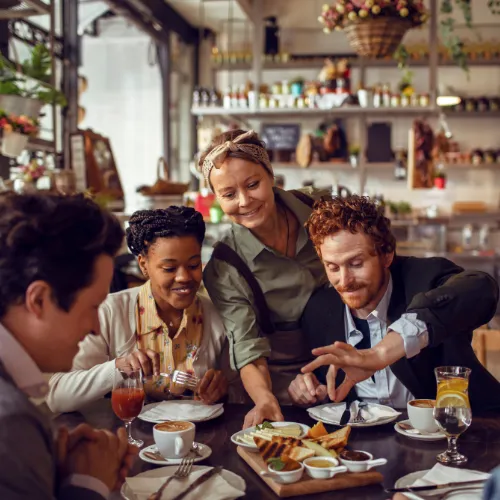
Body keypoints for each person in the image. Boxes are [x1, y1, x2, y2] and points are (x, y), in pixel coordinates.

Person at [289, 195, 500, 411]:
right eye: (333, 267)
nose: (344, 282)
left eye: (356, 264)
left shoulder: (425, 278)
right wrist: (311, 390)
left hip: (465, 431)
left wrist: (380, 354)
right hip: (364, 441)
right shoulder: (318, 311)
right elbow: (331, 390)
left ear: (387, 255)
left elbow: (482, 288)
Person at [0, 192, 137, 500]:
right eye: (92, 307)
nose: (96, 327)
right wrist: (88, 485)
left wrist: (51, 469)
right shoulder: (9, 422)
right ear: (39, 300)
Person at [47, 206, 237, 413]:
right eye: (169, 269)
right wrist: (117, 368)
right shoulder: (109, 313)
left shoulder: (217, 315)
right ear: (143, 265)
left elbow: (239, 390)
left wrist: (222, 388)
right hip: (126, 438)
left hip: (199, 439)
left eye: (193, 265)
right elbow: (57, 396)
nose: (184, 277)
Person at [201, 129, 329, 428]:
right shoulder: (225, 265)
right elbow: (246, 345)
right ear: (217, 199)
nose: (244, 201)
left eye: (253, 184)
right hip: (281, 389)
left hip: (351, 371)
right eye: (229, 195)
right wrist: (264, 399)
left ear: (271, 175)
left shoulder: (320, 210)